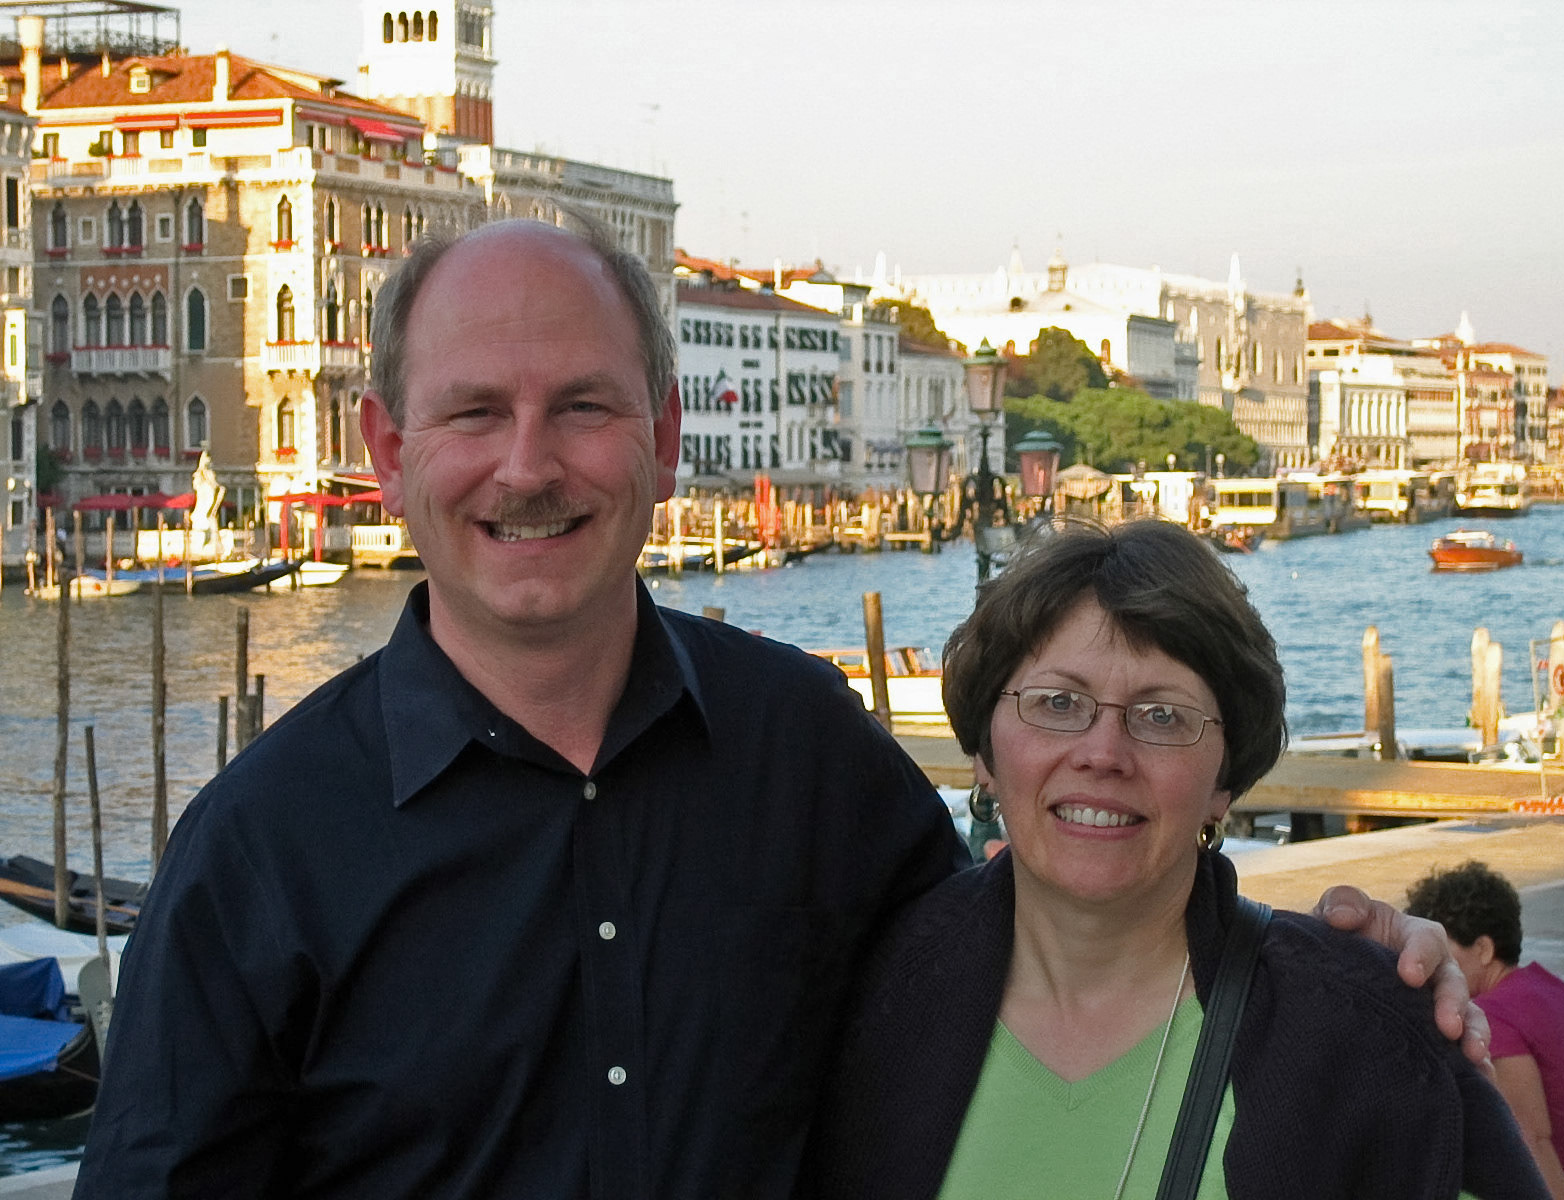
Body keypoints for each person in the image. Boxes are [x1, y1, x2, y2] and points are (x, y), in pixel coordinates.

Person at [75, 220, 1481, 1199]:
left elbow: (1048, 934)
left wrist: (1344, 966)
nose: (528, 465)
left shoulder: (806, 755)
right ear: (388, 450)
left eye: (581, 407)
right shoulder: (259, 855)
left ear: (665, 438)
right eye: (471, 415)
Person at [804, 519, 1542, 1200]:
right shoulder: (853, 1002)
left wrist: (1377, 991)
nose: (1102, 754)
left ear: (1224, 784)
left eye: (1162, 716)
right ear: (985, 755)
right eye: (1059, 703)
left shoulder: (1365, 1042)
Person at [1408, 860, 1564, 1200]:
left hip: (1558, 1184)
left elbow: (1532, 1138)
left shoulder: (1494, 1016)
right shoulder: (1547, 986)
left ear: (1483, 949)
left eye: (1443, 951)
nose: (1432, 967)